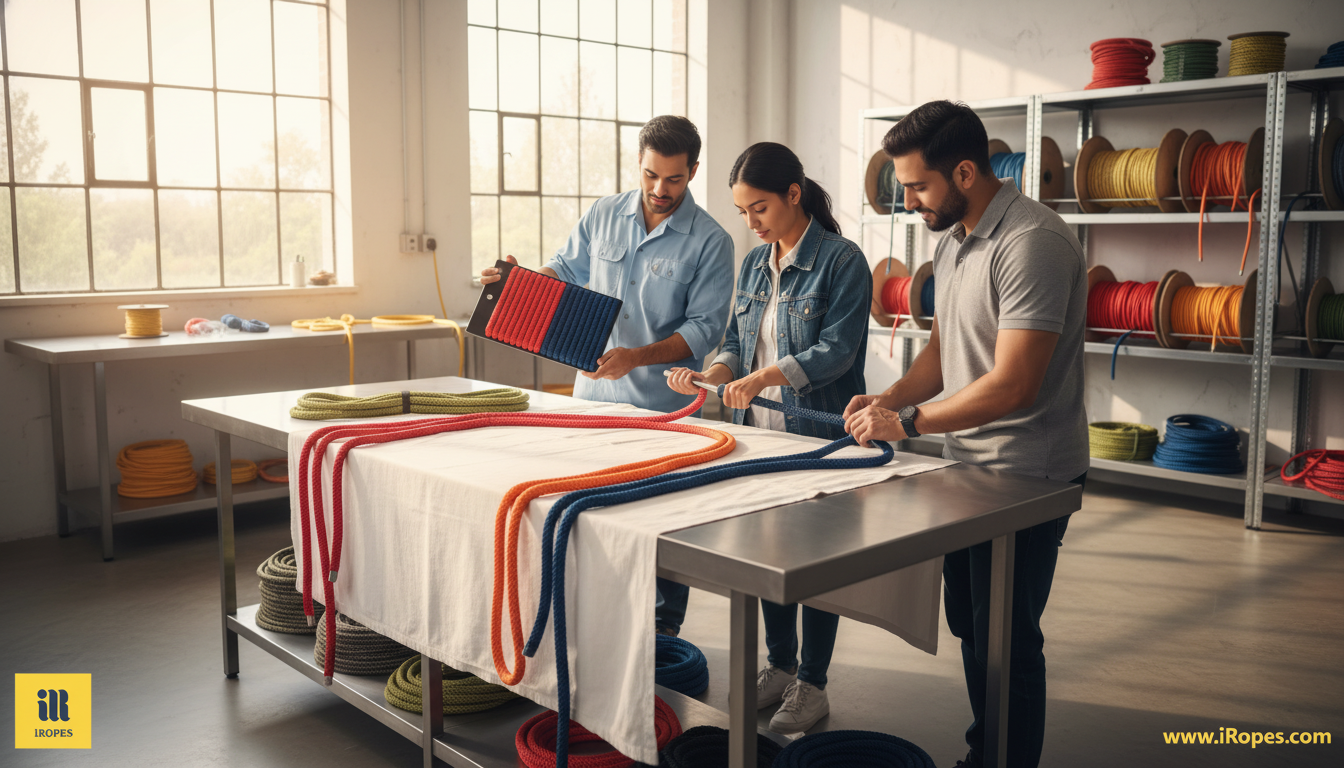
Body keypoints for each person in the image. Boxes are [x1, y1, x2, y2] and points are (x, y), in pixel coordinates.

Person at [843, 101, 1088, 768]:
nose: (909, 201)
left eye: (918, 186)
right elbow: (941, 353)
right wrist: (889, 399)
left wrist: (910, 423)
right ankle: (988, 750)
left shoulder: (1032, 243)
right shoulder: (951, 240)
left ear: (965, 173)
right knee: (974, 628)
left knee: (1007, 638)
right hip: (966, 467)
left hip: (1029, 474)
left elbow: (1015, 385)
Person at [480, 115, 735, 639]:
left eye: (673, 179)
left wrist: (636, 357)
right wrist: (519, 281)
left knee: (660, 524)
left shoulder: (712, 241)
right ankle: (599, 627)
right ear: (638, 162)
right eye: (650, 175)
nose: (660, 189)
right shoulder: (603, 214)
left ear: (693, 171)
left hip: (661, 415)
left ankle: (662, 637)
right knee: (590, 518)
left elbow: (704, 329)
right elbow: (564, 269)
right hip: (592, 403)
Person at [666, 142, 871, 733]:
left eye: (759, 208)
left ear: (793, 194)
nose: (751, 223)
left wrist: (762, 378)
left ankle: (813, 683)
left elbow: (836, 352)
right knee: (767, 556)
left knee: (817, 563)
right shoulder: (756, 263)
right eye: (742, 212)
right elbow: (736, 340)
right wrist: (714, 374)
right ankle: (780, 667)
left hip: (819, 438)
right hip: (759, 437)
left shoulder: (843, 261)